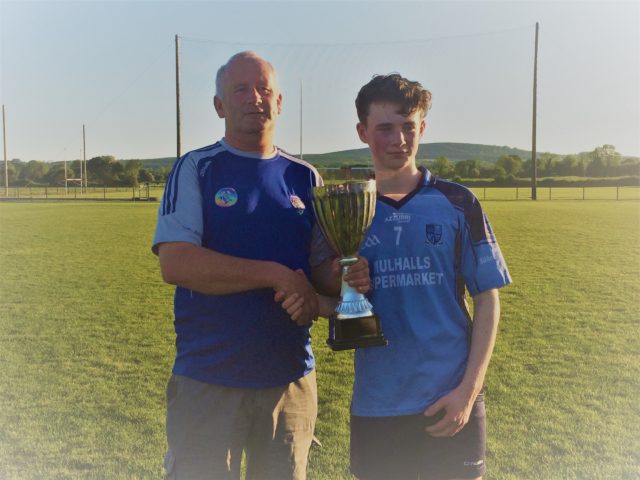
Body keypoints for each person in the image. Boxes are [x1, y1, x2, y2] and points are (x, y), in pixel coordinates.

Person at [152, 51, 369, 480]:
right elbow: (176, 262)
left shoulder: (305, 178)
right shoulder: (196, 168)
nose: (256, 98)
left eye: (265, 89)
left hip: (289, 379)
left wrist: (348, 275)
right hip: (209, 378)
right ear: (219, 106)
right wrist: (273, 274)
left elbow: (321, 269)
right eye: (241, 89)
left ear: (280, 101)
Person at [349, 74, 511, 480]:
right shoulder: (349, 209)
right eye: (385, 128)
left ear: (422, 128)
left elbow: (488, 299)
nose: (398, 139)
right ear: (363, 131)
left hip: (452, 398)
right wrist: (344, 286)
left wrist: (468, 392)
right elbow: (329, 295)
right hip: (378, 403)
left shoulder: (458, 202)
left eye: (409, 127)